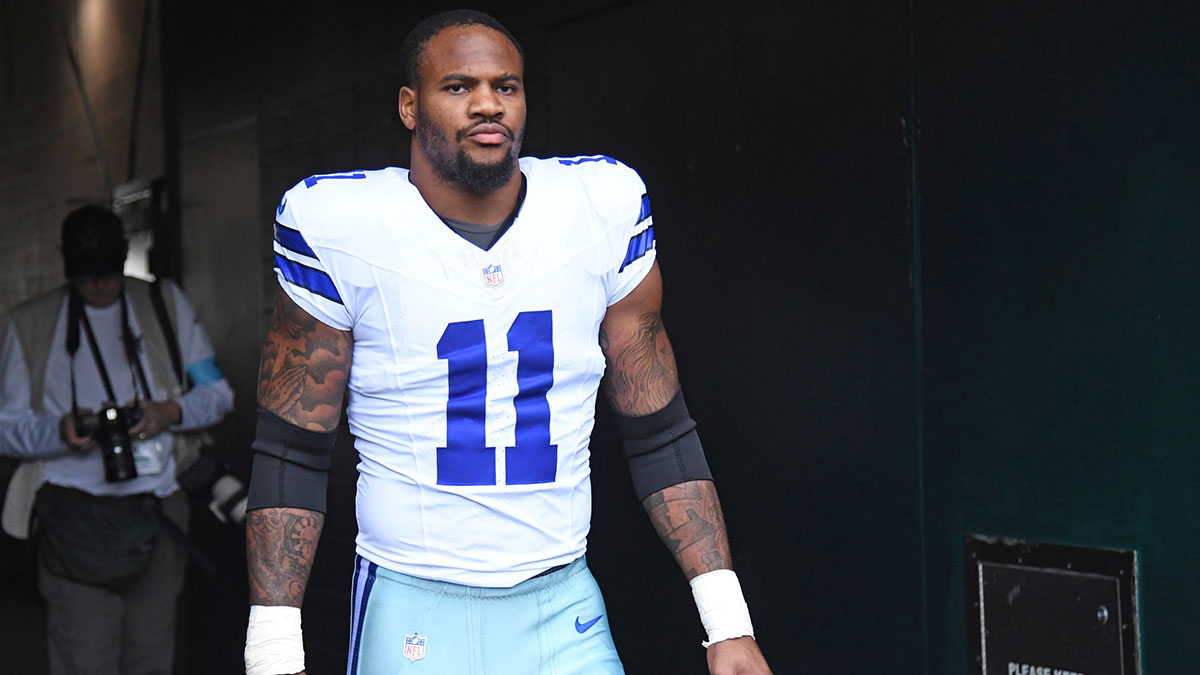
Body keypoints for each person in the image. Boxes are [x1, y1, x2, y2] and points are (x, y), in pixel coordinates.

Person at [243, 9, 771, 675]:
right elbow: (292, 445)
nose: (487, 103)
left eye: (507, 86)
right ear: (410, 106)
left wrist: (727, 622)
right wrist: (271, 650)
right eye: (458, 86)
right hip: (413, 600)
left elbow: (659, 429)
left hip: (561, 604)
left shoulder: (598, 206)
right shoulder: (342, 225)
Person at [0, 205, 235, 674]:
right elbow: (5, 429)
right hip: (74, 521)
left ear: (124, 258)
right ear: (65, 265)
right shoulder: (28, 325)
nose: (102, 287)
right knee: (85, 658)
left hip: (156, 512)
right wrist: (60, 431)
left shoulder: (164, 304)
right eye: (89, 278)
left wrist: (170, 411)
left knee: (152, 656)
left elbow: (219, 394)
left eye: (109, 274)